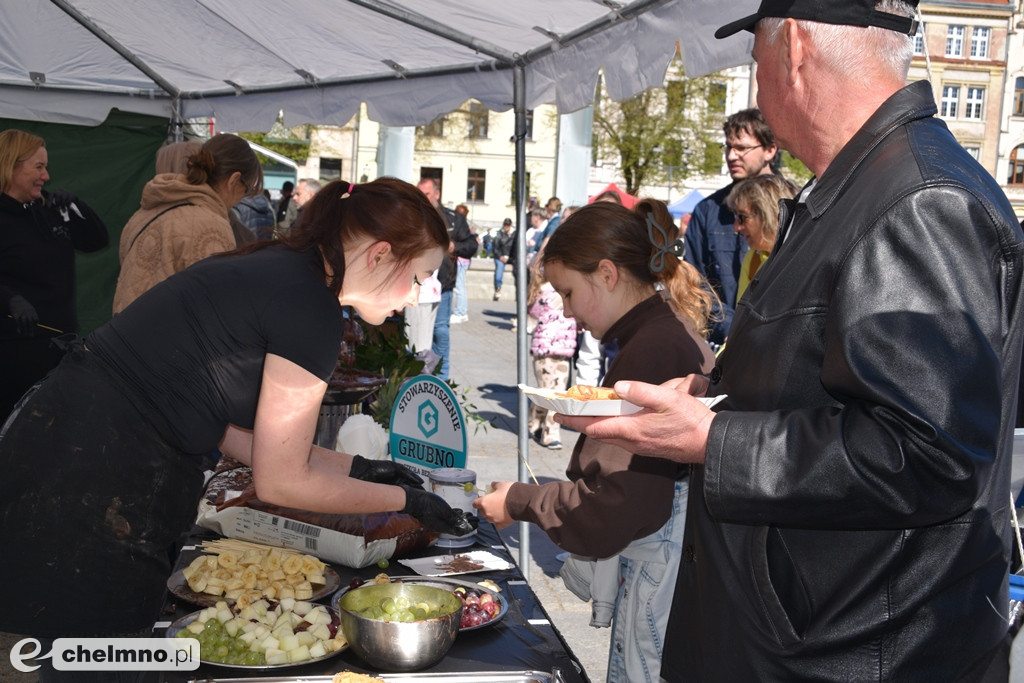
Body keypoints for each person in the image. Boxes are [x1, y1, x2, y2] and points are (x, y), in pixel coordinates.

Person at [557, 1, 1024, 680]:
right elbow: (836, 380)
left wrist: (715, 439)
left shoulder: (919, 198)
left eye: (756, 61)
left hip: (851, 652)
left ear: (795, 48)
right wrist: (721, 393)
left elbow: (926, 452)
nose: (756, 83)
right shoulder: (866, 185)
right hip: (809, 636)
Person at [0, 177, 474, 658]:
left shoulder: (281, 266)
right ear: (380, 254)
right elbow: (282, 481)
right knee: (94, 658)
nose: (416, 297)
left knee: (79, 651)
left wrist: (360, 469)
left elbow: (237, 434)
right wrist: (407, 500)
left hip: (65, 442)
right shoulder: (309, 304)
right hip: (94, 478)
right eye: (418, 278)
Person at [475, 200, 716, 682]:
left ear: (607, 274)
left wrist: (520, 501)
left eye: (568, 292)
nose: (565, 310)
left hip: (660, 580)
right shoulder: (662, 328)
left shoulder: (651, 348)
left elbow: (618, 502)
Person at [0, 129, 108, 420]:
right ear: (10, 166)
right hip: (13, 350)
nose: (46, 176)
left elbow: (96, 240)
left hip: (59, 345)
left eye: (46, 167)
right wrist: (9, 298)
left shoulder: (49, 208)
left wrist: (77, 206)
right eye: (38, 167)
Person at [112, 133, 261, 313]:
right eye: (247, 190)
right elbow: (215, 307)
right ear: (233, 180)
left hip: (126, 326)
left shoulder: (143, 213)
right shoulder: (211, 225)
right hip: (166, 329)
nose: (242, 199)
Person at [684, 108, 777, 347]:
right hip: (722, 345)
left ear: (770, 150)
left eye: (742, 148)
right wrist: (732, 326)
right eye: (728, 147)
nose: (731, 155)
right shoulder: (708, 211)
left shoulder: (793, 204)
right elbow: (694, 283)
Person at [416, 177, 477, 380]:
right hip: (415, 287)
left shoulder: (453, 219)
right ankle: (416, 376)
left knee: (440, 331)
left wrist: (454, 247)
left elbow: (471, 245)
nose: (422, 198)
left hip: (443, 286)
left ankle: (441, 378)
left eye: (426, 194)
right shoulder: (411, 216)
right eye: (419, 194)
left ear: (437, 194)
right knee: (415, 334)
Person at [525, 263, 577, 449]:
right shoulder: (545, 292)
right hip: (545, 351)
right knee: (549, 392)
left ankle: (544, 426)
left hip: (563, 350)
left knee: (556, 393)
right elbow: (531, 319)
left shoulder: (569, 291)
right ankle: (545, 429)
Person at [725, 174, 797, 300]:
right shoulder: (753, 259)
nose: (736, 227)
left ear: (770, 214)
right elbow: (743, 311)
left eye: (742, 217)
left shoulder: (807, 260)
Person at [451, 203, 472, 324]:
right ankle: (461, 311)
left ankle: (461, 312)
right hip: (463, 260)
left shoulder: (460, 226)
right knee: (460, 286)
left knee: (459, 287)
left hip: (460, 260)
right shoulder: (465, 225)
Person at [492, 217, 515, 301]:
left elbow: (516, 247)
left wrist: (511, 257)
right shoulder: (499, 234)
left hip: (510, 256)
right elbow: (495, 247)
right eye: (505, 224)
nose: (506, 226)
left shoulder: (514, 234)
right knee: (499, 268)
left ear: (511, 225)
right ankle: (498, 287)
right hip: (500, 256)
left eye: (508, 225)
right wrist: (500, 256)